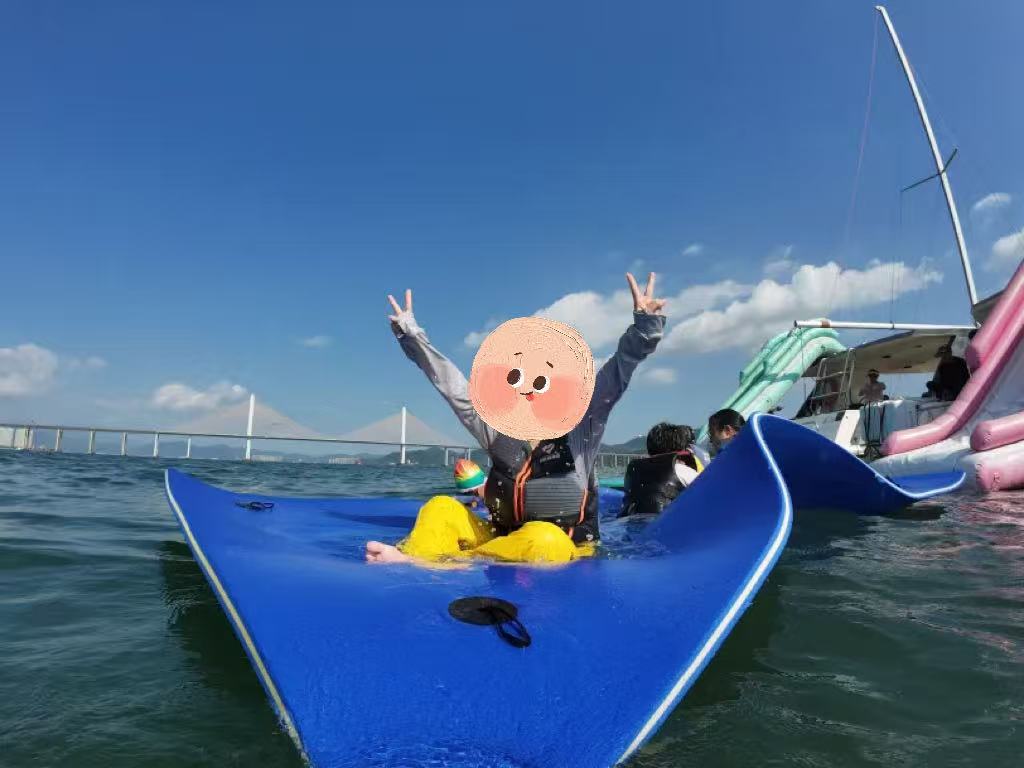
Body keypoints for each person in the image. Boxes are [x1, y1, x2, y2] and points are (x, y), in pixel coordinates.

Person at [366, 272, 666, 565]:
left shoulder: (582, 427)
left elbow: (614, 378)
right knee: (441, 507)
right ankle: (415, 557)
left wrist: (644, 329)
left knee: (544, 539)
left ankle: (451, 560)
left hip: (563, 546)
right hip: (502, 540)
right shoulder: (496, 430)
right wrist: (411, 335)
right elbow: (452, 387)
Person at [619, 423, 704, 517]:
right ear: (680, 449)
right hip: (664, 521)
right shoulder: (681, 470)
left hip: (629, 520)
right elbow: (708, 492)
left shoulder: (633, 470)